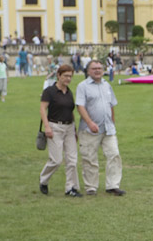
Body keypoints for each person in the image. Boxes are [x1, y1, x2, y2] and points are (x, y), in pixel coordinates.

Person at [76, 60, 125, 196]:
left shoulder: (107, 85)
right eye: (94, 68)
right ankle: (91, 187)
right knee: (90, 158)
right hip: (89, 129)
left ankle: (113, 185)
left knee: (114, 155)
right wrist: (90, 123)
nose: (97, 71)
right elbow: (80, 106)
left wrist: (113, 122)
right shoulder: (83, 86)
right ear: (88, 71)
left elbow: (111, 105)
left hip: (108, 128)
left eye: (99, 68)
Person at [38, 65, 82, 197]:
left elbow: (71, 111)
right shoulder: (50, 91)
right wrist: (47, 127)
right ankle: (44, 180)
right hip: (54, 127)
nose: (68, 79)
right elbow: (42, 109)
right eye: (65, 76)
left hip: (69, 127)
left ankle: (70, 188)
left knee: (72, 160)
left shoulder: (69, 92)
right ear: (58, 75)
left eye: (70, 76)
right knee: (56, 160)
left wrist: (74, 131)